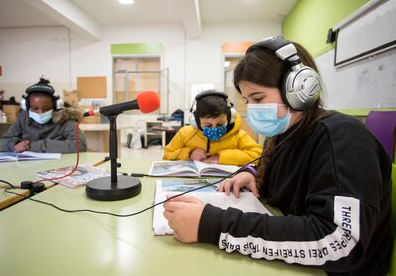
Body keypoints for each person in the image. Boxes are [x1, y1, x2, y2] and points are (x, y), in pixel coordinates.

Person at [163, 36, 391, 275]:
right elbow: (289, 182)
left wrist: (210, 224)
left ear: (299, 88)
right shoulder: (285, 135)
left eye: (258, 98)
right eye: (248, 101)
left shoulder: (344, 138)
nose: (253, 109)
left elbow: (339, 242)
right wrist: (253, 174)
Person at [163, 90, 262, 166]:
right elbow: (167, 154)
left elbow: (258, 155)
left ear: (230, 117)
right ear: (196, 122)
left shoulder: (239, 136)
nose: (214, 128)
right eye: (208, 125)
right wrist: (189, 153)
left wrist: (222, 157)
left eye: (220, 124)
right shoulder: (185, 134)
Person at [0, 77, 87, 153]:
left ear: (56, 106)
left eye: (46, 109)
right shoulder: (23, 117)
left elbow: (80, 145)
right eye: (35, 108)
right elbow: (3, 141)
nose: (40, 113)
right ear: (27, 106)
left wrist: (35, 146)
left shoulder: (65, 118)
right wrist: (15, 144)